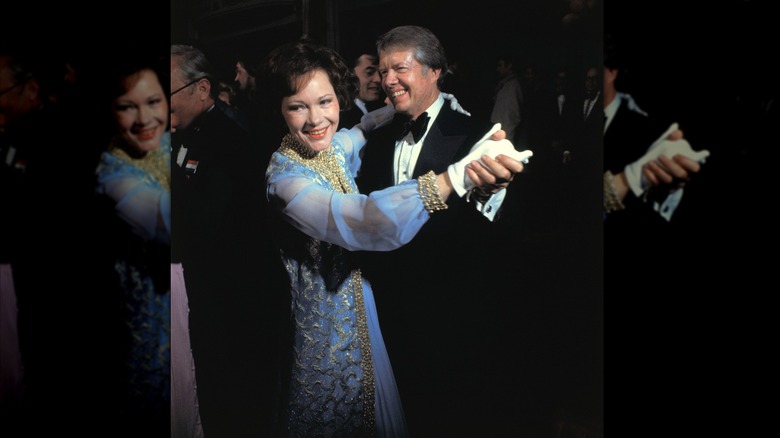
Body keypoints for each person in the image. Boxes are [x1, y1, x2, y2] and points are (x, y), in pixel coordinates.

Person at [259, 38, 525, 437]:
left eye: (325, 102)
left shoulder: (332, 147)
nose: (316, 120)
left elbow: (363, 127)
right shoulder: (285, 181)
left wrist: (428, 100)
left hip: (380, 322)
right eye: (298, 106)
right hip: (325, 335)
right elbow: (364, 220)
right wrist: (455, 177)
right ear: (279, 109)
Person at [353, 25, 529, 434]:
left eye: (400, 68)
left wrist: (492, 191)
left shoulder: (476, 135)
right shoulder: (375, 140)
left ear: (434, 72)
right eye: (383, 70)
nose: (388, 80)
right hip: (390, 317)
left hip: (451, 317)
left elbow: (506, 226)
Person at [170, 44, 283, 437]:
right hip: (201, 295)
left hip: (231, 301)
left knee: (233, 405)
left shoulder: (230, 140)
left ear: (202, 89)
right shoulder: (184, 133)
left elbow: (206, 224)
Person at [94, 55, 172, 436]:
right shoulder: (111, 172)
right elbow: (165, 223)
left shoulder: (172, 144)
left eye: (153, 102)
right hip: (149, 321)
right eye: (127, 107)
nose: (144, 119)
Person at [339, 41, 388, 130]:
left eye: (381, 72)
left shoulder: (378, 109)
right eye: (369, 72)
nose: (378, 79)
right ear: (350, 74)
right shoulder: (344, 117)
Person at [490, 52, 525, 146]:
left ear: (509, 66)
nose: (498, 69)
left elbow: (513, 116)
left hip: (504, 137)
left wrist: (506, 138)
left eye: (500, 66)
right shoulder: (504, 85)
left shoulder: (512, 86)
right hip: (498, 134)